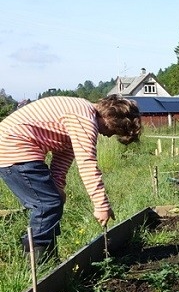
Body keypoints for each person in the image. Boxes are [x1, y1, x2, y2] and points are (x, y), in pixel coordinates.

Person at [0, 94, 141, 264]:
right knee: (47, 204)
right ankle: (36, 262)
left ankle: (49, 261)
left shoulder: (80, 116)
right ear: (111, 119)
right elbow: (87, 163)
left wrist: (58, 187)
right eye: (114, 131)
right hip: (14, 148)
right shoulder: (84, 119)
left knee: (52, 201)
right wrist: (101, 205)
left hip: (17, 148)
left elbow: (62, 157)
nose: (110, 136)